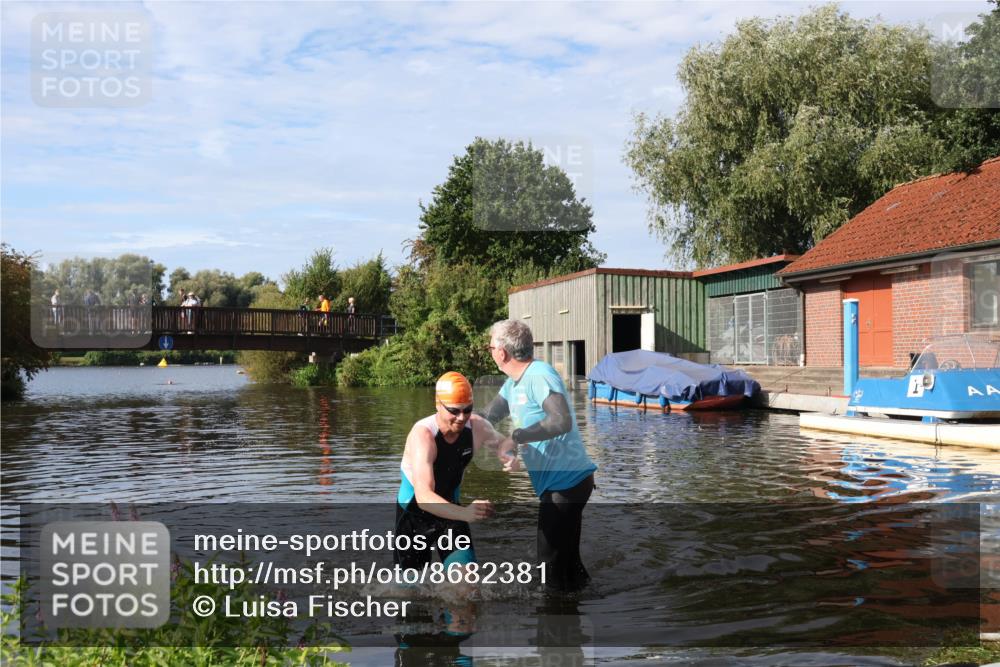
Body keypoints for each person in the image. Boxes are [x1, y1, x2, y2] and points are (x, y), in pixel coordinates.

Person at [483, 319, 597, 591]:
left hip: (566, 484)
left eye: (490, 347)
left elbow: (561, 421)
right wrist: (454, 421)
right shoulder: (514, 384)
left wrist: (515, 437)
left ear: (501, 352)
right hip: (562, 484)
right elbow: (488, 416)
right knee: (567, 563)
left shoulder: (539, 375)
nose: (490, 352)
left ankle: (553, 621)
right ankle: (580, 614)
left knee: (548, 568)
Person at [395, 371, 506, 574]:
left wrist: (509, 455)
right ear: (438, 404)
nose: (462, 418)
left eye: (468, 410)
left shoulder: (478, 426)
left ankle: (454, 606)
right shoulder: (423, 435)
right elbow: (424, 497)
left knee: (466, 583)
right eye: (454, 411)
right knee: (411, 594)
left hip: (451, 515)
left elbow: (504, 444)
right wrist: (465, 513)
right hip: (413, 518)